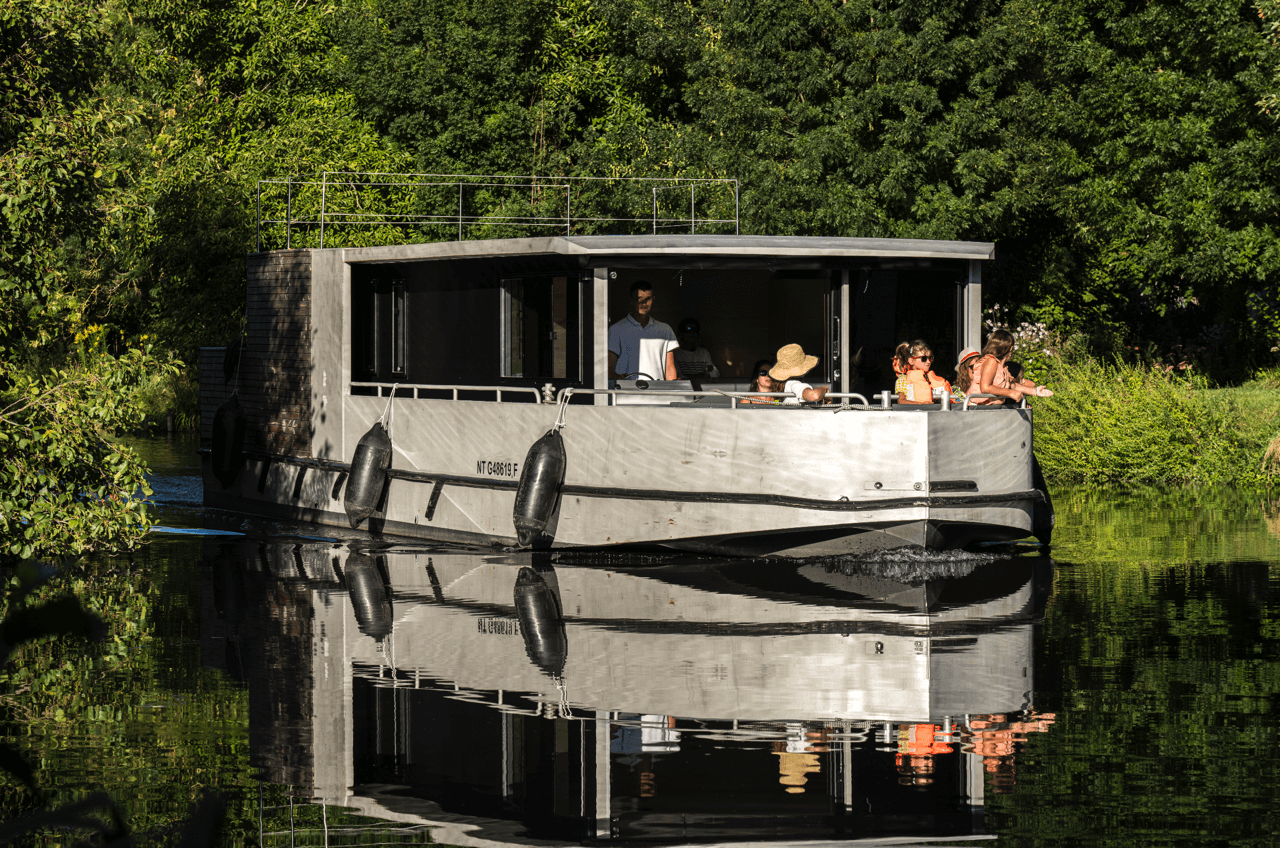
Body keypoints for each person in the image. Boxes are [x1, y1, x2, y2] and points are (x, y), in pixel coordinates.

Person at [607, 281, 677, 381]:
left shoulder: (665, 329)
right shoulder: (616, 329)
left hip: (658, 391)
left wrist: (672, 393)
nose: (644, 303)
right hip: (627, 391)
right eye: (639, 299)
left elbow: (669, 367)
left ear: (653, 299)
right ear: (631, 300)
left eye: (648, 299)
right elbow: (609, 367)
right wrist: (617, 378)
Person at [969, 329, 1054, 405]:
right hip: (977, 410)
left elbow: (1012, 386)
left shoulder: (1002, 367)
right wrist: (1009, 393)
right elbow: (985, 387)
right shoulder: (991, 361)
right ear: (1011, 348)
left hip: (988, 410)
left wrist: (1035, 391)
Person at [895, 339, 951, 404]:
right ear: (911, 361)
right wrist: (921, 404)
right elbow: (901, 401)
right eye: (923, 358)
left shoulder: (932, 378)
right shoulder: (903, 379)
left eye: (930, 358)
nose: (928, 361)